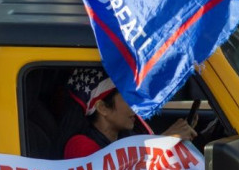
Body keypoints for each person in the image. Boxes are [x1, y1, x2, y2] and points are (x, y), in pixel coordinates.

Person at [62, 68, 197, 159]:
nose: (136, 105)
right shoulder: (79, 146)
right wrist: (164, 141)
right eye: (128, 98)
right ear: (102, 108)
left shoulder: (129, 136)